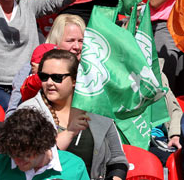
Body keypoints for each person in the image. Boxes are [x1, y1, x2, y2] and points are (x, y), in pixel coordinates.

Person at [18, 50, 128, 180]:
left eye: (57, 77)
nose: (49, 83)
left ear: (75, 80)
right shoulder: (27, 112)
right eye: (44, 77)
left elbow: (118, 159)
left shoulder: (98, 111)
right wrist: (70, 132)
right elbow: (31, 157)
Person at [0, 107, 88, 180]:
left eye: (26, 155)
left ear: (44, 145)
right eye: (12, 154)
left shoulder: (75, 167)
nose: (17, 161)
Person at [6, 13, 85, 116]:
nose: (77, 46)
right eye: (70, 40)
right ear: (56, 41)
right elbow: (12, 113)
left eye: (81, 41)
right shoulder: (31, 68)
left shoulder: (89, 70)